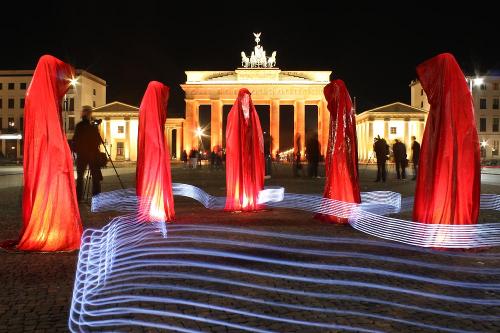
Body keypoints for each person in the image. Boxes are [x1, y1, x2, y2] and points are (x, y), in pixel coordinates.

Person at [73, 105, 103, 201]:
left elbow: (75, 140)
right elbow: (98, 140)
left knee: (81, 177)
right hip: (92, 154)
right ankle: (96, 197)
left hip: (82, 154)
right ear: (90, 114)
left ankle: (78, 197)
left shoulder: (79, 126)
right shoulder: (92, 126)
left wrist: (76, 150)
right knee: (95, 176)